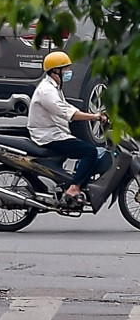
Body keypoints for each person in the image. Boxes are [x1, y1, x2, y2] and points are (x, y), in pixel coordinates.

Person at [27, 51, 108, 206]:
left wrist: (92, 114)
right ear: (55, 71)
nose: (68, 73)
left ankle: (77, 182)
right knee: (89, 151)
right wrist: (93, 117)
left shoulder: (54, 87)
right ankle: (73, 188)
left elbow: (66, 106)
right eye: (65, 70)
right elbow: (67, 113)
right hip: (49, 136)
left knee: (86, 149)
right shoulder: (47, 91)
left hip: (55, 133)